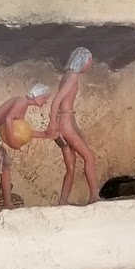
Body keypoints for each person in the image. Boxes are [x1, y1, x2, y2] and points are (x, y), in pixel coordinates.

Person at [0, 84, 50, 212]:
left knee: (5, 166)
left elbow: (20, 131)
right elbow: (8, 120)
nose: (45, 102)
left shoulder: (23, 104)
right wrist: (12, 142)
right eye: (45, 98)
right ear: (39, 95)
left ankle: (7, 203)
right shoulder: (21, 101)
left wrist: (44, 135)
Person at [45, 47, 99, 206]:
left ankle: (63, 200)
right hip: (65, 122)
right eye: (89, 60)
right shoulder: (72, 77)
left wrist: (73, 128)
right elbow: (57, 101)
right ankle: (94, 195)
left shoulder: (66, 76)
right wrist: (52, 123)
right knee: (89, 157)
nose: (90, 64)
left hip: (66, 121)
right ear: (82, 61)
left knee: (70, 166)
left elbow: (66, 107)